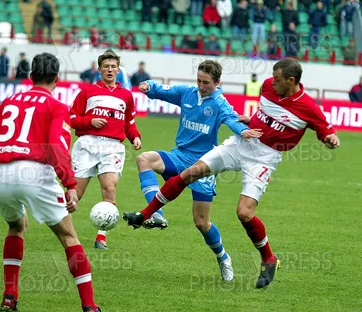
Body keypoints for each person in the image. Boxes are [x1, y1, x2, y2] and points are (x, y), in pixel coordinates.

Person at [123, 58, 340, 289]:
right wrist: (251, 122)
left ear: (291, 81)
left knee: (244, 213)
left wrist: (330, 139)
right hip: (240, 144)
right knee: (191, 172)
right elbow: (265, 113)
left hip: (264, 157)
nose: (271, 82)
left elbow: (325, 131)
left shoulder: (309, 107)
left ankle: (269, 259)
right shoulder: (268, 86)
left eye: (277, 79)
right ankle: (146, 215)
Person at [0, 53, 103, 312]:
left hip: (0, 174)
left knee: (16, 226)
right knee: (69, 236)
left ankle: (10, 296)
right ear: (57, 78)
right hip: (33, 171)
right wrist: (69, 185)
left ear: (30, 77)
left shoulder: (7, 102)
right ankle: (89, 307)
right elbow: (57, 147)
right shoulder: (56, 106)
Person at [130, 60, 263, 281]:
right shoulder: (187, 93)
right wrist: (148, 86)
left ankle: (223, 257)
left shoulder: (220, 103)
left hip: (203, 165)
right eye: (199, 80)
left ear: (218, 82)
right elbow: (163, 91)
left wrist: (243, 132)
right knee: (144, 159)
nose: (201, 86)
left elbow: (232, 119)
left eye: (206, 83)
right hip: (180, 156)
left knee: (202, 223)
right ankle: (156, 214)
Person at [70, 50, 142, 250]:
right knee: (76, 193)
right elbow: (72, 119)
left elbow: (129, 122)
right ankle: (64, 230)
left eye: (113, 66)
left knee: (109, 188)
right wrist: (90, 121)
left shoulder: (126, 96)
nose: (110, 70)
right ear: (99, 69)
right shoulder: (87, 92)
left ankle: (101, 237)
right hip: (88, 144)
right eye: (106, 66)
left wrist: (135, 136)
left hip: (113, 147)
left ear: (118, 70)